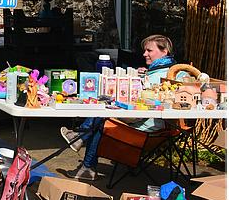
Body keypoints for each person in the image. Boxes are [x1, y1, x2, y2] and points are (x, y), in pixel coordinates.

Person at [59, 34, 175, 180]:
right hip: (142, 116)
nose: (144, 54)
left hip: (148, 124)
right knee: (103, 112)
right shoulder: (158, 70)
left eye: (149, 51)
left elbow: (147, 100)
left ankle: (81, 141)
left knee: (102, 116)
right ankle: (84, 156)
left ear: (164, 51)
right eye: (145, 50)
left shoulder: (167, 74)